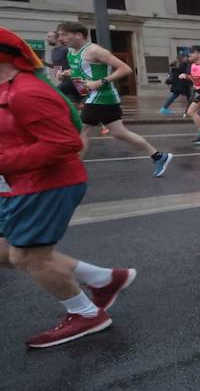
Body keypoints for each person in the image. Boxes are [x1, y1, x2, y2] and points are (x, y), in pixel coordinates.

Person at [0, 28, 137, 348]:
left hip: (46, 184)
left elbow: (66, 143)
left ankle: (87, 314)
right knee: (6, 254)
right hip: (15, 184)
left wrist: (4, 160)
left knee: (27, 257)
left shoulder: (28, 92)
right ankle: (104, 279)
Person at [54, 23, 172, 177]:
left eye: (64, 34)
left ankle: (74, 172)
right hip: (94, 97)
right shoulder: (71, 53)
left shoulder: (95, 50)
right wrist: (66, 73)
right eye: (59, 35)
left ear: (78, 35)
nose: (60, 38)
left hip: (102, 97)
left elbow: (125, 68)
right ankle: (158, 156)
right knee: (120, 133)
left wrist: (100, 82)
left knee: (80, 130)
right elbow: (82, 71)